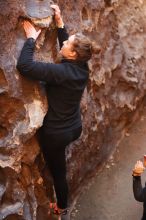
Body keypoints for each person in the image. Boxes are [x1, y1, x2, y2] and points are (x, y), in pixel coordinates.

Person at [17, 4, 98, 220]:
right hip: (74, 127)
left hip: (55, 133)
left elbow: (24, 66)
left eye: (67, 43)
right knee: (60, 163)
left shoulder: (59, 72)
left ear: (71, 54)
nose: (63, 42)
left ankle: (62, 209)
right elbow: (71, 45)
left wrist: (31, 39)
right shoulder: (82, 66)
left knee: (59, 173)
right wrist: (60, 23)